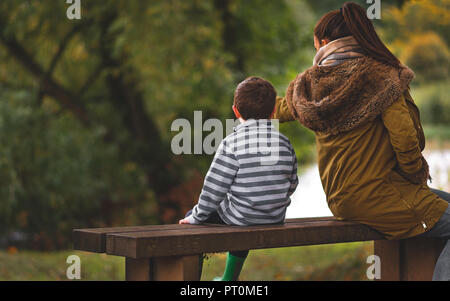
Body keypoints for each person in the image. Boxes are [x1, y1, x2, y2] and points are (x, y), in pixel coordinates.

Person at [273, 2, 450, 280]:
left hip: (343, 199)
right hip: (377, 194)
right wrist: (414, 174)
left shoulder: (310, 86)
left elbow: (282, 108)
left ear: (324, 43)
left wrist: (247, 106)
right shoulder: (382, 78)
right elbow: (404, 139)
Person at [179, 76, 299, 281]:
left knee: (198, 217)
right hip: (274, 217)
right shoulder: (284, 142)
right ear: (273, 112)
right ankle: (229, 277)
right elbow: (292, 182)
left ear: (235, 111)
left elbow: (214, 188)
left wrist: (196, 216)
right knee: (242, 209)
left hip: (243, 218)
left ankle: (193, 281)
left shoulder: (231, 143)